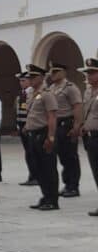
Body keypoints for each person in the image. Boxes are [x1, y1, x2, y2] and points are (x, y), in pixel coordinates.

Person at [23, 64, 60, 211]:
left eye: (34, 77)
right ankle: (45, 196)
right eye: (30, 77)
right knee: (38, 168)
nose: (31, 79)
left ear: (42, 77)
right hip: (33, 135)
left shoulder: (47, 94)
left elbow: (52, 116)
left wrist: (50, 137)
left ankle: (52, 199)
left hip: (43, 134)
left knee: (48, 168)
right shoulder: (33, 94)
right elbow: (33, 114)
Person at [47, 62, 83, 198]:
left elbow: (77, 107)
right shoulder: (51, 88)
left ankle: (73, 186)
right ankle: (67, 183)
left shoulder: (70, 88)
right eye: (51, 72)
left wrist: (76, 126)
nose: (52, 74)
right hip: (56, 125)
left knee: (70, 156)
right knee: (61, 156)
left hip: (66, 124)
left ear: (63, 73)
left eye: (56, 71)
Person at [77, 59, 98, 216]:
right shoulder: (88, 91)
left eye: (92, 72)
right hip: (91, 137)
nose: (88, 76)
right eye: (87, 73)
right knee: (96, 171)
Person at [16, 72, 38, 186]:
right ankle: (32, 175)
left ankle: (36, 176)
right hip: (22, 126)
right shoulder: (21, 94)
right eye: (20, 81)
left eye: (24, 80)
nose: (21, 83)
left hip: (29, 127)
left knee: (32, 152)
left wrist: (27, 125)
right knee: (28, 153)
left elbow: (32, 112)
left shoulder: (31, 93)